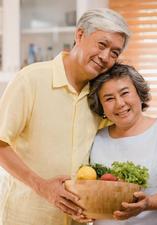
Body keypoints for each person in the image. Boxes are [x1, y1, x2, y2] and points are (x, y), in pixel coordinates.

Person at [0, 8, 130, 225]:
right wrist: (42, 186)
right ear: (79, 35)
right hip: (27, 218)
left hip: (78, 220)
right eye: (102, 44)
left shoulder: (102, 97)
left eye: (115, 53)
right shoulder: (30, 79)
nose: (106, 57)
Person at [88, 63, 157, 225]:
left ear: (139, 94)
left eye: (125, 93)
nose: (119, 103)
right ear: (101, 108)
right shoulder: (96, 139)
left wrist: (147, 204)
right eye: (109, 98)